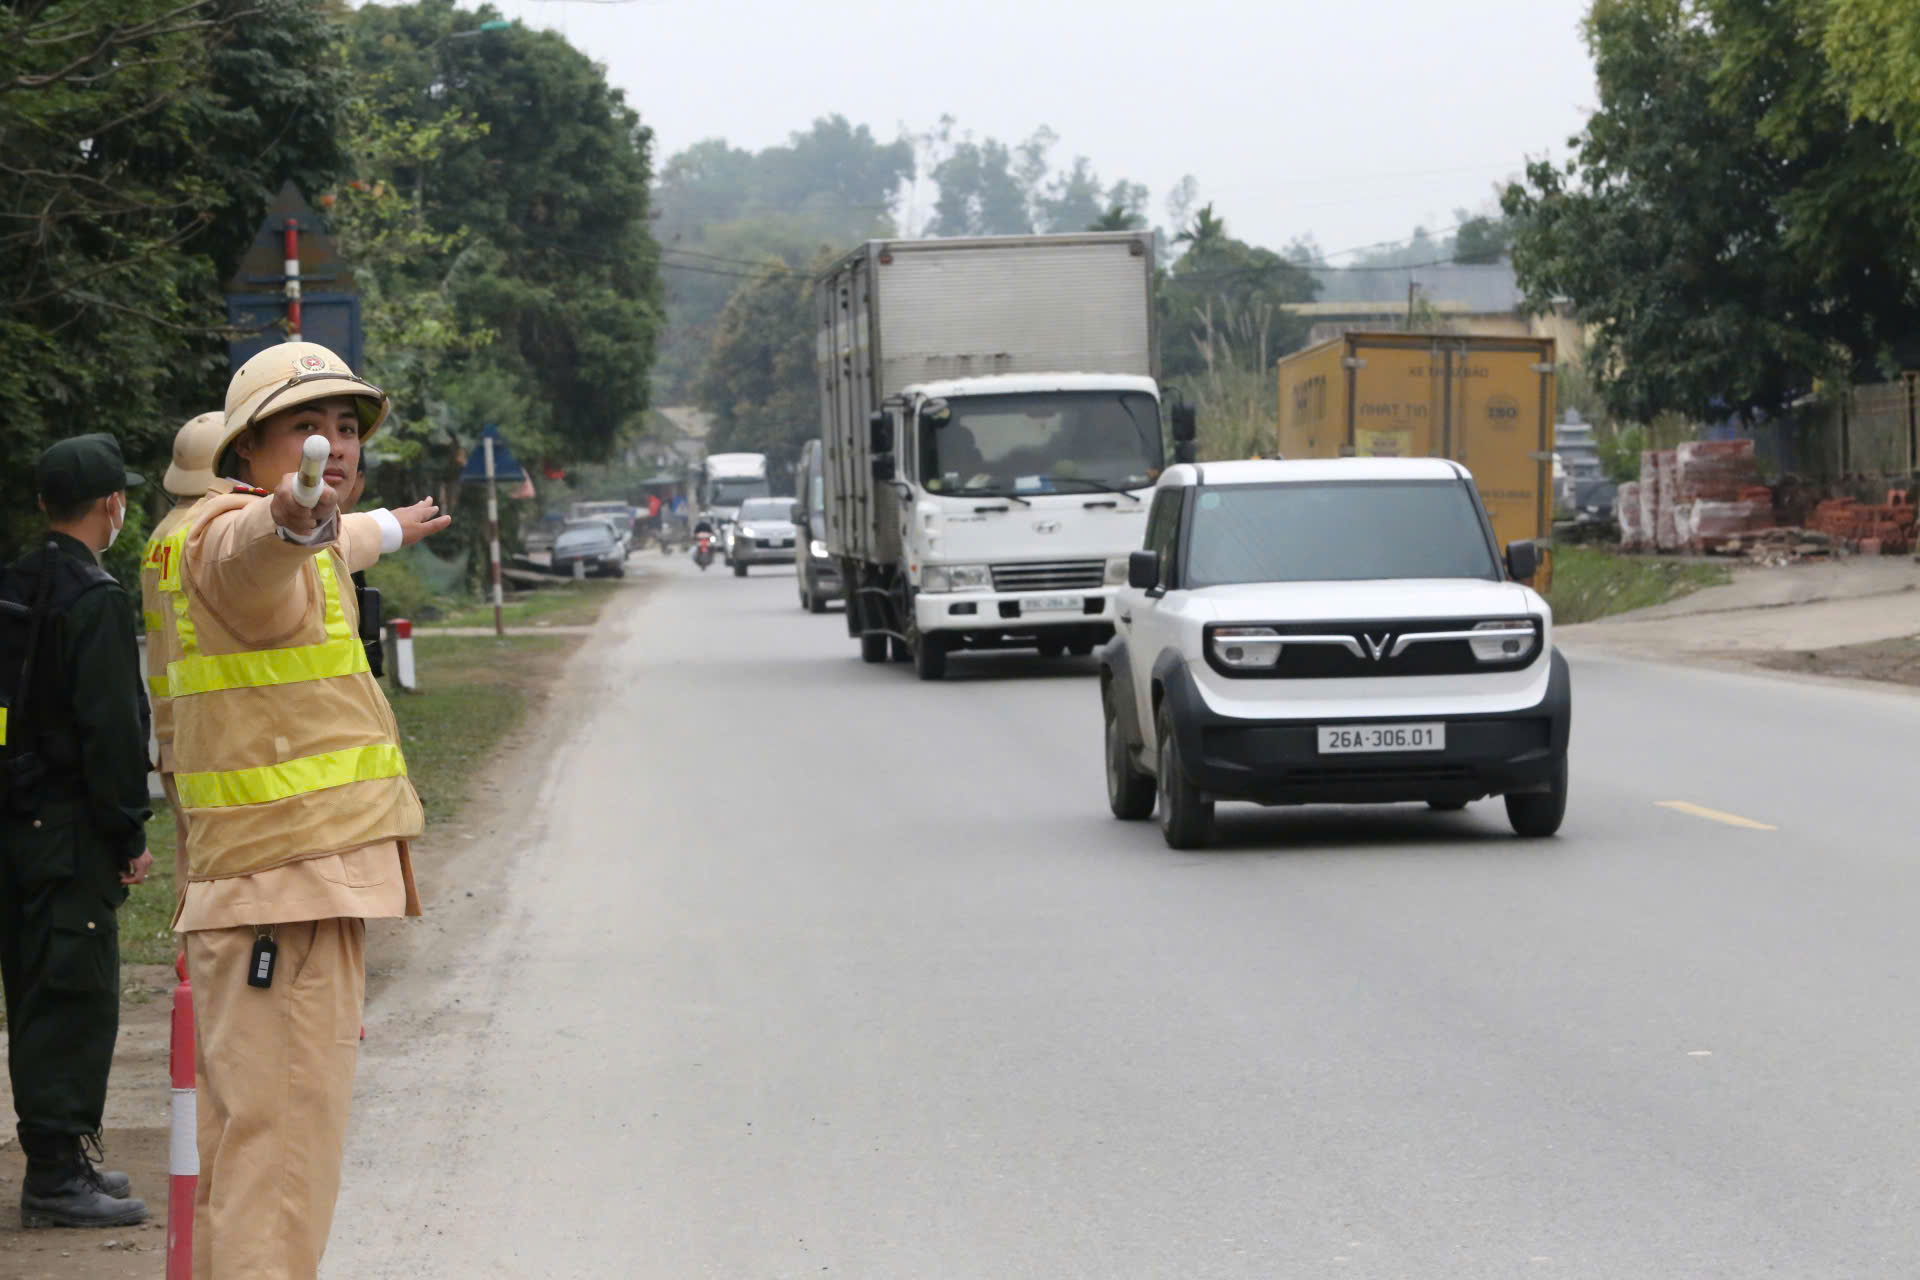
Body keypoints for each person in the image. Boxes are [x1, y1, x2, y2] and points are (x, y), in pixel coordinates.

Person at [155, 341, 451, 1278]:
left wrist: (388, 527)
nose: (337, 443)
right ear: (248, 449)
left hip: (268, 887)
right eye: (308, 427)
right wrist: (290, 519)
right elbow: (260, 550)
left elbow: (336, 538)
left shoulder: (209, 533)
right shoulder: (236, 538)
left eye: (348, 426)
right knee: (282, 1163)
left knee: (250, 1153)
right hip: (285, 891)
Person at [0, 433, 155, 1229]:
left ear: (41, 503)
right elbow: (112, 731)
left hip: (14, 822)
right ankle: (56, 1178)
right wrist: (128, 832)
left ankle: (60, 1163)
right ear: (111, 504)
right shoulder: (93, 598)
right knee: (71, 997)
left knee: (32, 990)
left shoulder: (14, 585)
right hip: (68, 835)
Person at [142, 411, 228, 841]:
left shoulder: (162, 534)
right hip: (214, 730)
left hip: (173, 726)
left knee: (191, 856)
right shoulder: (211, 533)